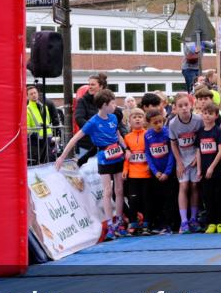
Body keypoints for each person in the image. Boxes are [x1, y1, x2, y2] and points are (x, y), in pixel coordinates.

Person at [55, 89, 126, 240]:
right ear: (104, 105)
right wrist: (61, 157)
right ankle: (110, 224)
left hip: (118, 156)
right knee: (107, 191)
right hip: (104, 158)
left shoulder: (113, 117)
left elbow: (118, 135)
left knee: (119, 189)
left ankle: (119, 221)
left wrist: (127, 148)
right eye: (113, 103)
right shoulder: (93, 122)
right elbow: (75, 138)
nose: (115, 105)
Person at [168, 92, 203, 234]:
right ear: (175, 108)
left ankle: (194, 218)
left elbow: (202, 140)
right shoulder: (173, 124)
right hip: (182, 158)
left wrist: (197, 157)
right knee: (183, 186)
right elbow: (173, 144)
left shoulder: (198, 120)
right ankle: (184, 221)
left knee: (194, 186)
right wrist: (179, 163)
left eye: (186, 105)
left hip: (195, 157)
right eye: (180, 106)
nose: (184, 108)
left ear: (191, 105)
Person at [74, 74, 123, 164]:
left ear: (101, 86)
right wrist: (96, 131)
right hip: (86, 144)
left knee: (106, 174)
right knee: (86, 175)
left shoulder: (109, 100)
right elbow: (79, 118)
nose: (90, 87)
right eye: (89, 84)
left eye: (93, 84)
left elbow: (118, 116)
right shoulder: (83, 100)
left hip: (107, 146)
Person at [197, 101, 221, 233]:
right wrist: (199, 169)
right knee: (207, 197)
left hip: (216, 169)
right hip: (204, 170)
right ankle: (211, 222)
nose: (207, 116)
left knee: (219, 196)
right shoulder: (200, 132)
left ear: (216, 116)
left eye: (210, 114)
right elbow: (198, 151)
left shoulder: (218, 131)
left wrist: (212, 167)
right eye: (205, 113)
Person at [144, 108, 176, 234]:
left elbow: (171, 154)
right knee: (157, 199)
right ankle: (159, 223)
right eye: (155, 123)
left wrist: (167, 172)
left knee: (169, 198)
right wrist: (155, 171)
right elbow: (148, 153)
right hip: (156, 173)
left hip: (168, 172)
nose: (158, 125)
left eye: (160, 122)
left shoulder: (167, 133)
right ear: (149, 123)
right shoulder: (147, 135)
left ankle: (170, 223)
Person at [122, 108, 151, 235]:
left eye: (140, 116)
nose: (137, 118)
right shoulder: (127, 138)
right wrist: (125, 170)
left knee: (146, 199)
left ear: (144, 120)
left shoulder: (148, 135)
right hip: (133, 174)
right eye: (134, 117)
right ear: (129, 121)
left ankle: (146, 224)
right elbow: (127, 157)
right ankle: (133, 222)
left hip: (146, 174)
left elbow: (151, 152)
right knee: (133, 200)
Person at [26, 85, 53, 165]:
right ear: (27, 96)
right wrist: (34, 134)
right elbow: (26, 128)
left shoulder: (45, 108)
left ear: (38, 94)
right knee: (36, 165)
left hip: (48, 140)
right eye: (31, 94)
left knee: (47, 165)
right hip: (35, 142)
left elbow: (48, 122)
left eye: (35, 93)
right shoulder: (27, 109)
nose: (34, 95)